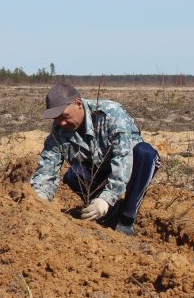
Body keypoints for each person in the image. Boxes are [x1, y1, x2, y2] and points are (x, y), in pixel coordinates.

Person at [29, 83, 161, 236]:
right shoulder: (59, 130)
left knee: (145, 152)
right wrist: (38, 204)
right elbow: (46, 171)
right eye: (56, 119)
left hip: (130, 169)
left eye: (64, 116)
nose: (61, 123)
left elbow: (123, 158)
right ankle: (110, 215)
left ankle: (126, 218)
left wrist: (107, 198)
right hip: (99, 173)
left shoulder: (111, 114)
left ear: (78, 104)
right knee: (73, 174)